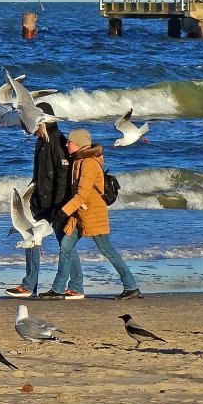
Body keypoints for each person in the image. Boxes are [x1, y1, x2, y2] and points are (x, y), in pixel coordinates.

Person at [41, 129, 141, 301]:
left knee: (107, 250)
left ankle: (131, 286)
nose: (67, 144)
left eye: (70, 142)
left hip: (93, 214)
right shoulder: (79, 160)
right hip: (79, 214)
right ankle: (59, 289)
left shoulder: (88, 163)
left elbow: (82, 195)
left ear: (79, 143)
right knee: (65, 247)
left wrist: (62, 212)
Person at [6, 105, 83, 299]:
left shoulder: (59, 143)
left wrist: (59, 208)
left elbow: (63, 180)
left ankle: (76, 286)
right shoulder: (41, 142)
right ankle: (30, 284)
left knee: (65, 244)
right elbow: (39, 174)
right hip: (39, 201)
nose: (28, 125)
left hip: (57, 205)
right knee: (30, 237)